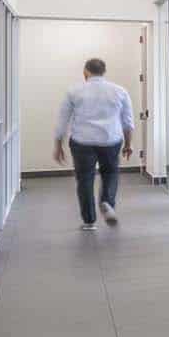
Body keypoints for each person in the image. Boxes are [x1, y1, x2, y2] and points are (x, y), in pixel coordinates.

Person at [53, 57, 135, 231]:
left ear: (85, 72)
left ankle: (89, 221)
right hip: (111, 140)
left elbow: (63, 120)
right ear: (103, 72)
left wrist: (58, 144)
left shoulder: (74, 91)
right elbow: (128, 122)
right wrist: (128, 144)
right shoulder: (119, 91)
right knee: (111, 174)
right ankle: (107, 202)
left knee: (84, 179)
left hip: (82, 142)